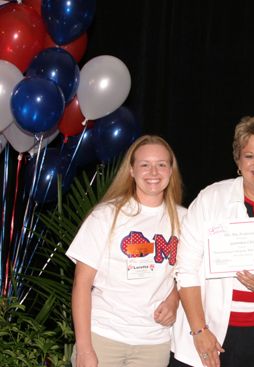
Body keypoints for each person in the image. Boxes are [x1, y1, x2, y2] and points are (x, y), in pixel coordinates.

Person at [170, 116, 254, 367]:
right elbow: (185, 270)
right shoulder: (211, 198)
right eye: (250, 156)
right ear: (238, 161)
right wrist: (199, 331)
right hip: (206, 334)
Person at [66, 135, 186, 367]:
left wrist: (173, 299)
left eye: (161, 164)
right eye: (145, 164)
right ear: (131, 170)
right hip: (103, 337)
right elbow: (81, 284)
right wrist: (84, 348)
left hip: (154, 342)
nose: (154, 172)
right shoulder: (105, 216)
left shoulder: (184, 219)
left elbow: (187, 275)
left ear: (171, 170)